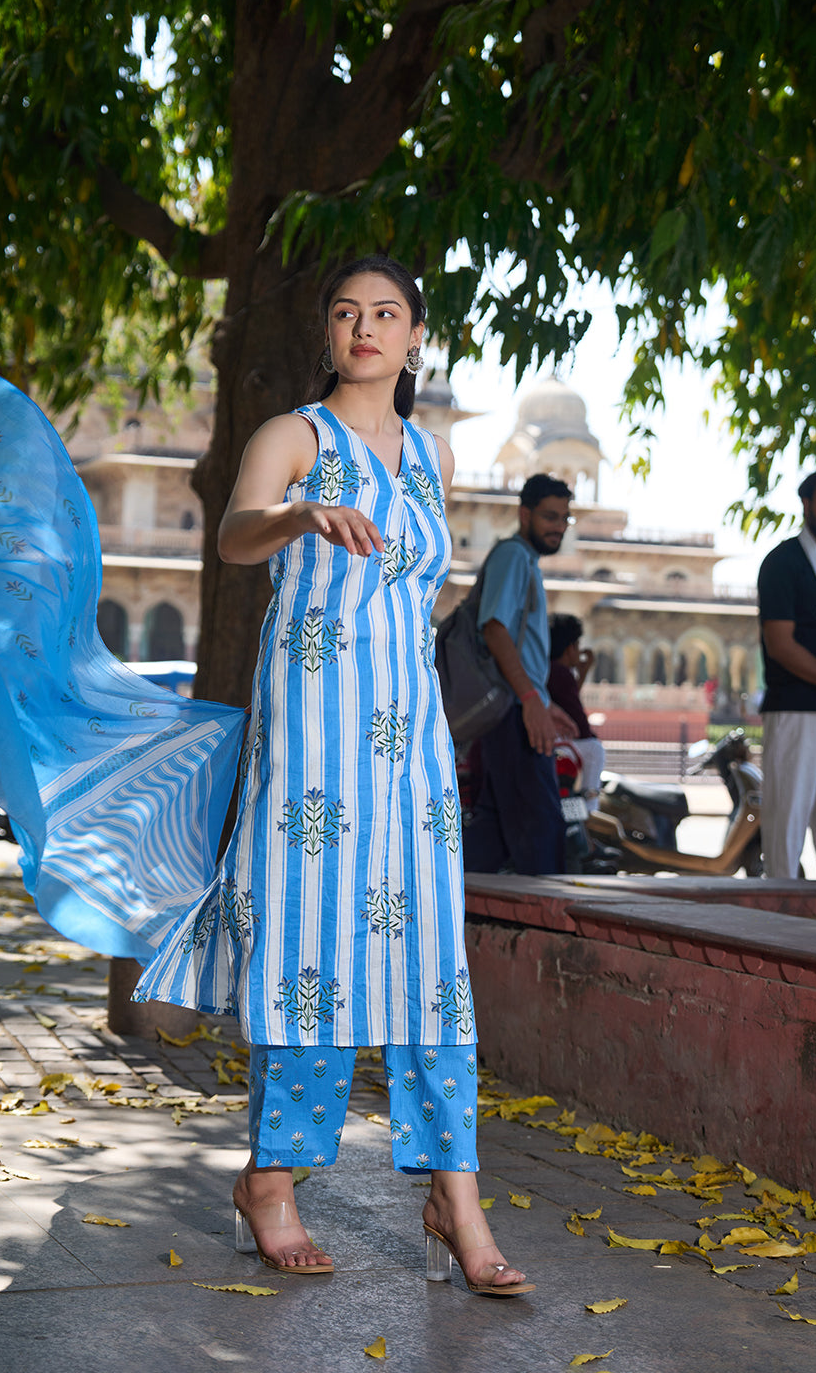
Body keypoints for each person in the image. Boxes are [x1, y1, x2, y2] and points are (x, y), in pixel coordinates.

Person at [135, 255, 532, 1295]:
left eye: (387, 313)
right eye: (348, 313)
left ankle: (455, 1195)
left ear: (415, 338)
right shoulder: (294, 437)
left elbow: (420, 597)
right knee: (311, 935)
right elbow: (231, 539)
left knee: (430, 952)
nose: (366, 326)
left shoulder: (432, 455)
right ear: (329, 334)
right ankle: (273, 1181)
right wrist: (302, 515)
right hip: (312, 725)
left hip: (411, 738)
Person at [462, 474, 576, 875]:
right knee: (542, 831)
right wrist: (531, 701)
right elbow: (495, 628)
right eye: (549, 516)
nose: (558, 526)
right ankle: (548, 932)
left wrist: (543, 702)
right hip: (513, 711)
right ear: (524, 514)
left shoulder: (525, 560)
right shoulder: (513, 555)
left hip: (518, 709)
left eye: (564, 518)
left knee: (494, 833)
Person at [757, 466, 816, 878]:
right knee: (788, 815)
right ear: (807, 505)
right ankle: (778, 912)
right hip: (799, 709)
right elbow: (781, 645)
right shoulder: (784, 562)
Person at [548, 613, 604, 812]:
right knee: (595, 749)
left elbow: (568, 703)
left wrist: (582, 673)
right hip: (555, 741)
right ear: (570, 648)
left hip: (554, 738)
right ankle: (590, 808)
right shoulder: (560, 673)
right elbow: (579, 724)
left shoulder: (552, 670)